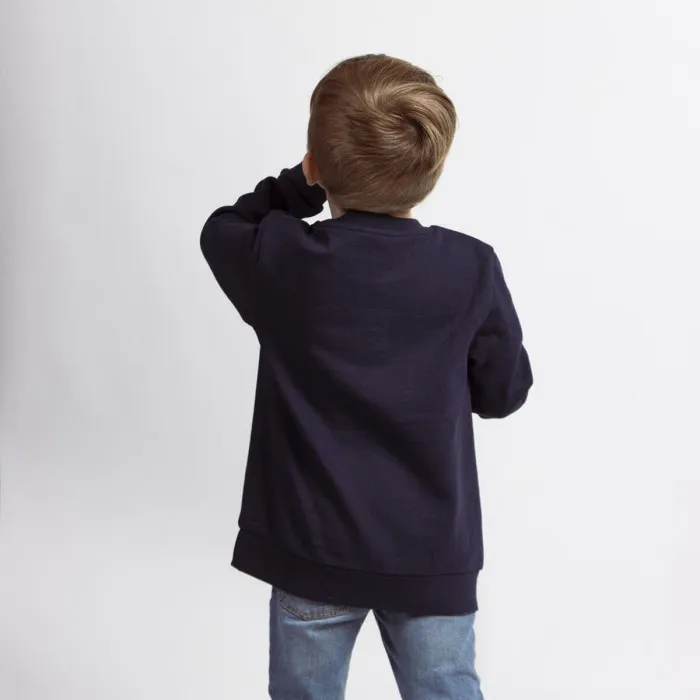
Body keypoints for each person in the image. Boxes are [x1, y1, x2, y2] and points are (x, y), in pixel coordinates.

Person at [200, 54, 532, 700]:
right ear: (431, 169)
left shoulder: (284, 260)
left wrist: (299, 187)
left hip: (310, 549)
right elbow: (503, 393)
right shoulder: (469, 268)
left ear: (319, 166)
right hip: (430, 555)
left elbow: (223, 229)